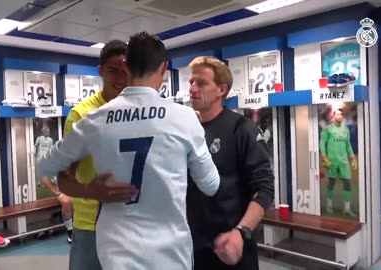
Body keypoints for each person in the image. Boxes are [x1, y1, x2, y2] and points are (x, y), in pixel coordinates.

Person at [38, 31, 220, 270]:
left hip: (115, 249)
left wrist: (90, 189)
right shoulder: (184, 117)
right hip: (170, 251)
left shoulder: (96, 119)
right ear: (164, 67)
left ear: (127, 64)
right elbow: (211, 185)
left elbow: (45, 165)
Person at [186, 56, 274, 270]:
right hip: (192, 249)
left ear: (221, 90)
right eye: (191, 82)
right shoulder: (186, 129)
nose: (193, 88)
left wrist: (241, 232)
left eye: (202, 83)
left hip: (232, 248)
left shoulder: (242, 129)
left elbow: (264, 189)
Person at [56, 39, 136, 270]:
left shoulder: (141, 110)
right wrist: (90, 190)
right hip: (93, 224)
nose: (120, 78)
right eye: (113, 70)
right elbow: (64, 179)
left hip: (133, 221)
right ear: (100, 70)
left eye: (126, 71)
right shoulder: (82, 115)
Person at [320, 108, 358, 217]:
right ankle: (329, 206)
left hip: (343, 162)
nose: (340, 116)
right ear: (334, 116)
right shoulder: (328, 129)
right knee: (331, 182)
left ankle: (347, 209)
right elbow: (322, 143)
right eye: (337, 114)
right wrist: (323, 156)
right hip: (332, 161)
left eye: (341, 114)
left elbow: (348, 145)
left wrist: (352, 157)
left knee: (347, 184)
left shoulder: (345, 130)